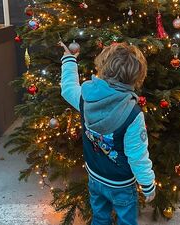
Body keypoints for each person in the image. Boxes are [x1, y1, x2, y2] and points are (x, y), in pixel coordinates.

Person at [59, 41, 156, 225]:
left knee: (100, 218)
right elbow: (137, 155)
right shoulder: (133, 114)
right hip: (122, 184)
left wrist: (69, 60)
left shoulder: (85, 97)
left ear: (102, 67)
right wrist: (147, 183)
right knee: (126, 221)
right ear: (136, 76)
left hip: (95, 176)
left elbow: (68, 88)